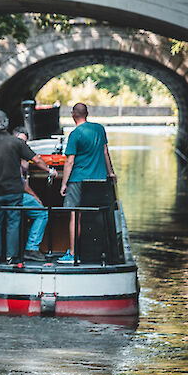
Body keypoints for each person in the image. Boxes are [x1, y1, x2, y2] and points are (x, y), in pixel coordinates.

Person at [0, 110, 55, 263]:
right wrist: (49, 170)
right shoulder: (17, 143)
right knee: (13, 222)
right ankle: (11, 257)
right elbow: (36, 159)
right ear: (6, 124)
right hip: (13, 191)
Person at [59, 102, 115, 263]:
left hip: (78, 179)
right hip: (99, 179)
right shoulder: (99, 129)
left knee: (74, 215)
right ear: (87, 113)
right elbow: (105, 151)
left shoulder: (75, 134)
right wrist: (110, 172)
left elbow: (69, 162)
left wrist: (64, 183)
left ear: (73, 115)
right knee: (97, 214)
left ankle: (72, 253)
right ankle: (103, 253)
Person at [12, 127, 52, 261]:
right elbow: (22, 184)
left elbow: (25, 183)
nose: (21, 145)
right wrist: (50, 171)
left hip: (7, 194)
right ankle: (31, 248)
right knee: (42, 213)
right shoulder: (17, 158)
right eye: (20, 141)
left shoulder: (21, 158)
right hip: (15, 195)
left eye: (24, 142)